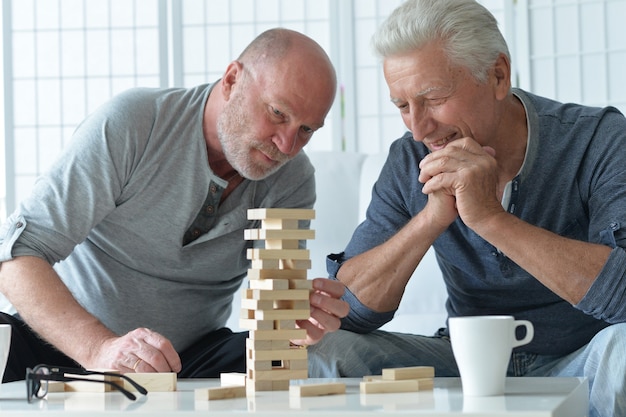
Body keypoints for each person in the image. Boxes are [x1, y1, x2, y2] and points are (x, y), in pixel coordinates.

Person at [306, 1, 626, 416]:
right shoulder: (409, 160)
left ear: (498, 75)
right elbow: (349, 312)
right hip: (462, 366)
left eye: (434, 98)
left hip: (584, 359)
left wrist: (490, 219)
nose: (419, 128)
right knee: (325, 352)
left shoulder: (597, 139)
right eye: (402, 106)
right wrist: (432, 217)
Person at [0, 28, 349, 382]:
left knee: (293, 359)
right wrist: (99, 349)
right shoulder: (134, 124)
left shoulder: (294, 180)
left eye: (306, 129)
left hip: (185, 363)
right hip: (58, 348)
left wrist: (292, 320)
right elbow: (17, 256)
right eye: (277, 113)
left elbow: (275, 315)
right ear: (232, 80)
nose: (287, 145)